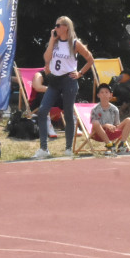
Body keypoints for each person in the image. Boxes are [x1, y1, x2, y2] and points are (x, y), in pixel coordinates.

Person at [33, 16, 95, 159]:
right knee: (42, 111)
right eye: (55, 25)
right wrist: (51, 40)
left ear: (66, 27)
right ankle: (43, 148)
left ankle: (68, 148)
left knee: (68, 113)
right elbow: (46, 59)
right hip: (54, 81)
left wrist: (80, 73)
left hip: (69, 81)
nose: (55, 27)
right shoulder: (54, 42)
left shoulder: (74, 43)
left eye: (58, 25)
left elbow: (90, 59)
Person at [90, 83, 130, 155]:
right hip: (98, 134)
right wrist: (105, 125)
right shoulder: (95, 109)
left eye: (106, 92)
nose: (104, 94)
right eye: (102, 92)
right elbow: (94, 127)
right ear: (98, 95)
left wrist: (113, 127)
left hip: (112, 132)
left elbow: (117, 124)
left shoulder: (114, 109)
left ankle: (122, 146)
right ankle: (110, 146)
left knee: (129, 120)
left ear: (111, 95)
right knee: (95, 123)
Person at [29, 68, 60, 138]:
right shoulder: (39, 75)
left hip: (53, 102)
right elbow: (37, 87)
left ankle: (73, 122)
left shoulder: (59, 75)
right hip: (37, 104)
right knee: (45, 94)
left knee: (68, 93)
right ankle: (48, 124)